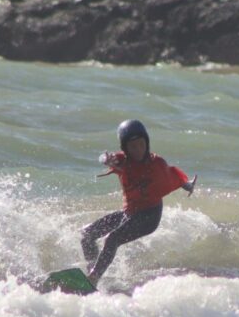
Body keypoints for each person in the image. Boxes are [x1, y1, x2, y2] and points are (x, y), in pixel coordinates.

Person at [81, 119, 196, 284]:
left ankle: (94, 278)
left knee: (112, 239)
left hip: (150, 216)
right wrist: (105, 159)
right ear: (125, 148)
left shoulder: (157, 163)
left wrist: (187, 184)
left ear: (147, 143)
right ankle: (91, 273)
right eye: (132, 146)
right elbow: (103, 158)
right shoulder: (121, 161)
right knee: (87, 235)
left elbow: (172, 176)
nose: (138, 150)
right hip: (129, 213)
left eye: (141, 144)